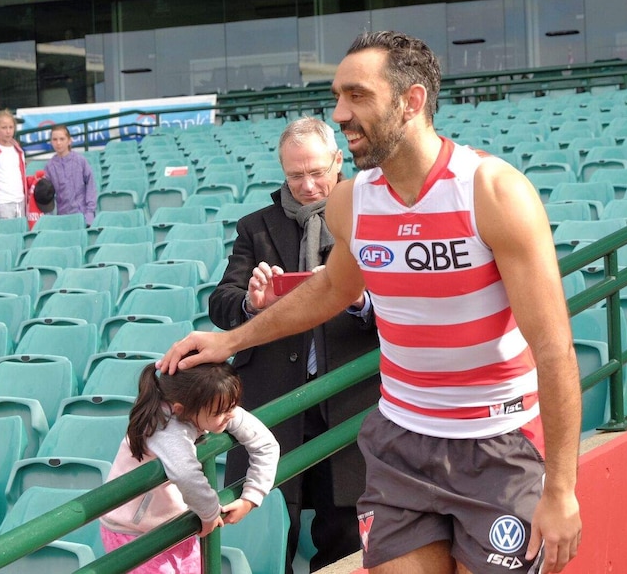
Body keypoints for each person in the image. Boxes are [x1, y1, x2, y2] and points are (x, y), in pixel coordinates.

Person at [160, 30, 582, 574]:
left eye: (357, 95)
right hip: (400, 441)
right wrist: (230, 339)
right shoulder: (352, 201)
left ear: (411, 102)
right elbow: (333, 291)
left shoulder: (492, 192)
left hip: (496, 444)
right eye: (337, 96)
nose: (339, 113)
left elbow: (554, 351)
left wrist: (563, 490)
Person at [208, 116, 380, 572]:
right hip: (273, 403)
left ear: (339, 161)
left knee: (343, 536)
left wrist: (360, 301)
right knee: (263, 536)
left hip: (347, 403)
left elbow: (405, 307)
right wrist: (251, 303)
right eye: (295, 175)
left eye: (317, 172)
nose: (307, 185)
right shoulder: (255, 228)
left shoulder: (372, 217)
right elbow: (221, 304)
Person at [100, 361, 280, 574]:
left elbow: (266, 445)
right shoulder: (165, 428)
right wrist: (210, 512)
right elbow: (185, 474)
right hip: (133, 534)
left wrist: (251, 497)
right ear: (181, 410)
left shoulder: (213, 406)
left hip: (174, 523)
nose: (232, 414)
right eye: (222, 410)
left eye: (232, 405)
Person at [45, 124, 97, 225]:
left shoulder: (80, 161)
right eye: (55, 139)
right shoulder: (49, 167)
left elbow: (90, 186)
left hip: (82, 217)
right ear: (51, 142)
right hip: (62, 218)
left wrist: (89, 214)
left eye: (62, 139)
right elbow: (48, 196)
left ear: (69, 141)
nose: (58, 143)